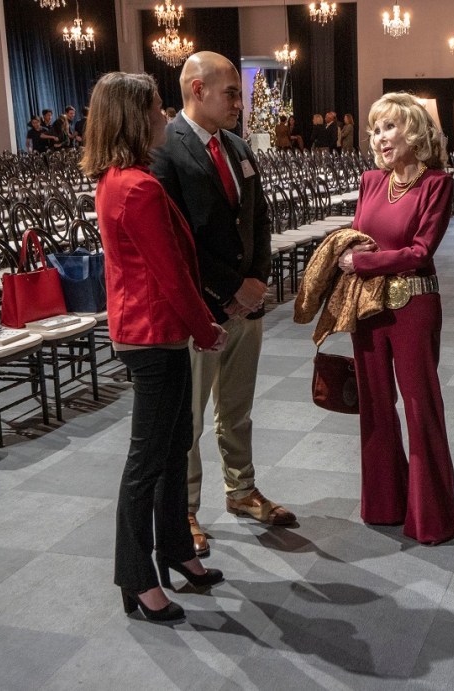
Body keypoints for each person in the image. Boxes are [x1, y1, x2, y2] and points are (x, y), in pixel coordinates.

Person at [81, 71, 227, 623]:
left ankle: (177, 552)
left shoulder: (120, 178)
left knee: (170, 453)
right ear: (134, 117)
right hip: (153, 334)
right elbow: (170, 276)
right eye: (158, 107)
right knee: (147, 462)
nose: (166, 116)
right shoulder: (137, 187)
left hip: (149, 330)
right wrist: (207, 329)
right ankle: (136, 577)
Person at [152, 51, 295, 559]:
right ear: (197, 90)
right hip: (203, 307)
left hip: (245, 303)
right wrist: (229, 290)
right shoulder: (165, 150)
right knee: (188, 417)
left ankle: (241, 489)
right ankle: (186, 508)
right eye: (231, 92)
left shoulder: (236, 146)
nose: (240, 101)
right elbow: (177, 237)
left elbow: (259, 219)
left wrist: (256, 279)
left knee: (237, 408)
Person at [337, 92, 454, 545]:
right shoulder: (371, 181)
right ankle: (384, 504)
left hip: (413, 307)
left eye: (390, 127)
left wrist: (364, 262)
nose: (381, 138)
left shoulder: (436, 184)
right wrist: (354, 256)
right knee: (374, 406)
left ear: (415, 130)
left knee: (420, 408)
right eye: (375, 130)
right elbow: (358, 237)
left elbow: (421, 252)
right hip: (369, 308)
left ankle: (432, 518)